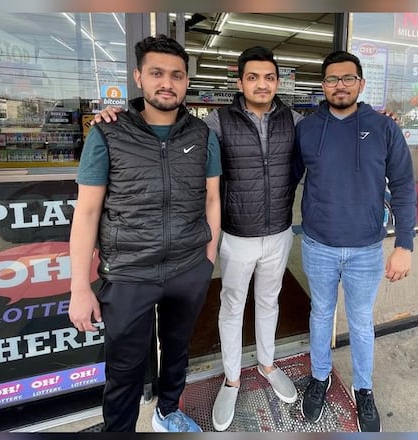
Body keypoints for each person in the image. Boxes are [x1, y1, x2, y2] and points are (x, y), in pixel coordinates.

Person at [94, 46, 303, 432]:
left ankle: (269, 365)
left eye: (269, 77)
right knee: (232, 306)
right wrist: (114, 117)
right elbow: (180, 151)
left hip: (279, 232)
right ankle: (232, 378)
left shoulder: (293, 118)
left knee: (269, 302)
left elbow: (330, 128)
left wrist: (376, 115)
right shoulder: (217, 123)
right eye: (252, 77)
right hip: (236, 233)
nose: (261, 84)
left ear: (278, 82)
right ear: (239, 82)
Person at [68, 34, 221, 433]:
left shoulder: (203, 136)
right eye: (156, 73)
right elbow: (86, 213)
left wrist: (208, 260)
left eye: (176, 75)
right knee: (124, 366)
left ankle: (167, 412)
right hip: (129, 273)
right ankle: (119, 430)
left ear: (187, 82)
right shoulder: (108, 134)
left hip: (188, 268)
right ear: (139, 77)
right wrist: (79, 288)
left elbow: (212, 200)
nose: (166, 83)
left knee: (176, 353)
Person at [292, 50, 417, 432]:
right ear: (323, 86)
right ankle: (320, 377)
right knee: (321, 315)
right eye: (332, 79)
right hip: (318, 245)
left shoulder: (384, 128)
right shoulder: (308, 129)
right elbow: (286, 179)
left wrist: (405, 244)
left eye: (348, 78)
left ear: (361, 84)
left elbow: (404, 187)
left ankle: (363, 389)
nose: (340, 85)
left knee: (361, 322)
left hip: (366, 249)